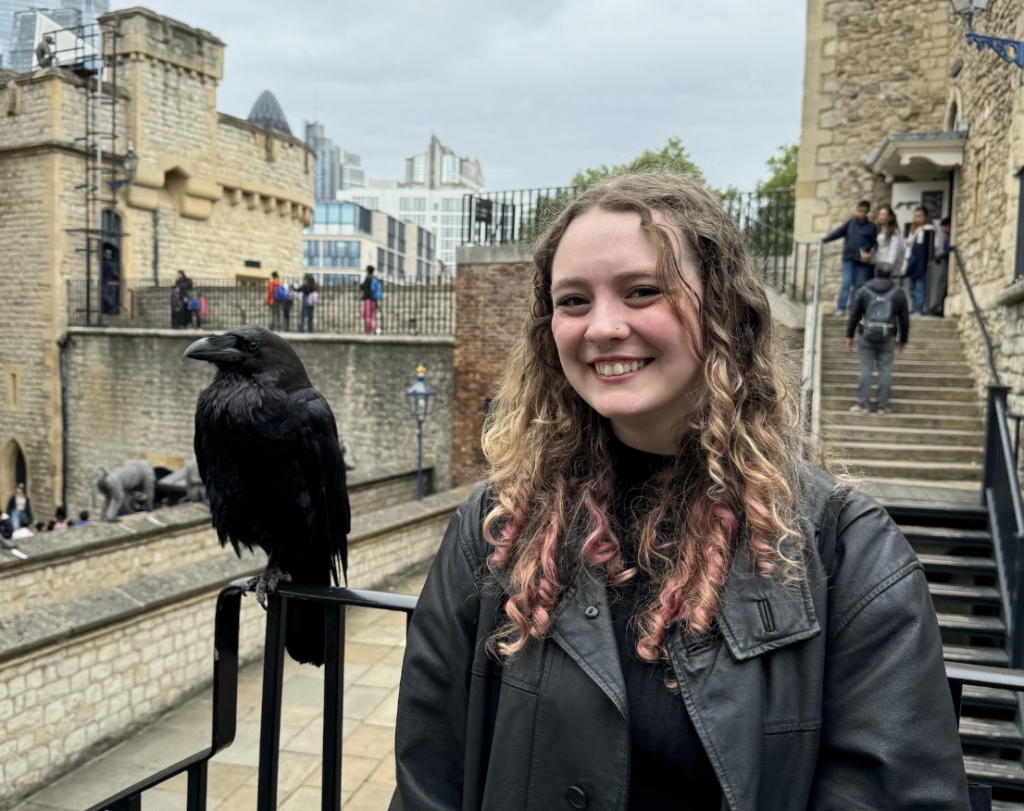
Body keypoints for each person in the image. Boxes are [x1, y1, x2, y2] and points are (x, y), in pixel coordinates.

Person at [391, 173, 969, 810]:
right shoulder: (497, 526)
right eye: (573, 301)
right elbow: (430, 774)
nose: (603, 327)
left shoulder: (845, 552)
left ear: (722, 307)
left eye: (643, 292)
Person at [845, 261, 910, 414]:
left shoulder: (864, 291)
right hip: (887, 336)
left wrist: (849, 335)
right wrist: (903, 339)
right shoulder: (898, 293)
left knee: (866, 369)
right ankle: (883, 405)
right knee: (885, 370)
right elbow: (904, 319)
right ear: (890, 275)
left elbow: (854, 314)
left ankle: (862, 405)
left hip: (866, 335)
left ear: (875, 273)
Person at [820, 200, 877, 316]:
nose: (861, 213)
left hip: (861, 261)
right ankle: (841, 308)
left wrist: (869, 255)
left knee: (857, 285)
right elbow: (837, 233)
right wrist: (824, 240)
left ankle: (853, 309)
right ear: (856, 210)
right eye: (859, 211)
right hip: (848, 259)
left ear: (868, 212)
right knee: (846, 283)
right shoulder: (850, 224)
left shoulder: (871, 227)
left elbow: (874, 244)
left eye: (864, 212)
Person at [905, 206, 935, 316]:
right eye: (915, 216)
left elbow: (931, 244)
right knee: (911, 287)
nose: (917, 218)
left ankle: (918, 309)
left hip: (921, 260)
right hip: (912, 259)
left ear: (925, 217)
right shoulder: (912, 230)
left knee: (920, 286)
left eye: (920, 216)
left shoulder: (928, 228)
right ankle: (913, 307)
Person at [871, 205, 905, 280]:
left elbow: (894, 250)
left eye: (884, 214)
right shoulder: (876, 230)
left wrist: (887, 267)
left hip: (885, 267)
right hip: (875, 265)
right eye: (880, 214)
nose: (881, 216)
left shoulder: (894, 232)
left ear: (890, 217)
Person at [927, 216, 951, 317]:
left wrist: (940, 256)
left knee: (942, 284)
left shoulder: (948, 235)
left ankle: (939, 305)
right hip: (946, 261)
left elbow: (949, 250)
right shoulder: (948, 235)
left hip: (947, 262)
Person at [361, 265, 382, 335]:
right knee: (372, 316)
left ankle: (367, 332)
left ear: (367, 270)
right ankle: (373, 330)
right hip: (374, 300)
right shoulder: (375, 278)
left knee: (366, 316)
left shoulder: (368, 278)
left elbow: (362, 287)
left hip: (368, 299)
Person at [100, 247, 121, 316]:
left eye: (107, 254)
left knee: (108, 297)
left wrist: (115, 281)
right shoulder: (109, 262)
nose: (105, 255)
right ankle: (109, 310)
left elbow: (114, 273)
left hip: (108, 282)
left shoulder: (111, 263)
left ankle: (111, 309)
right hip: (108, 282)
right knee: (107, 297)